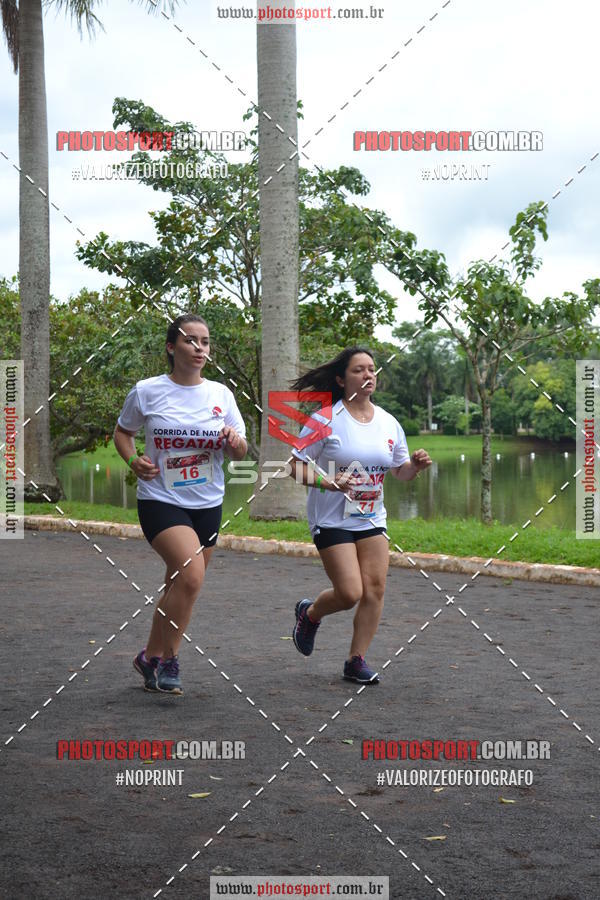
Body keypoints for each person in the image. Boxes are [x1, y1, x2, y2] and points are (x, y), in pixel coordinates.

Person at [113, 314, 247, 695]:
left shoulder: (221, 395)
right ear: (172, 347)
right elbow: (123, 432)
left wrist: (233, 441)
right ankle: (170, 659)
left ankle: (149, 657)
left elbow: (241, 451)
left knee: (178, 585)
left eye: (205, 342)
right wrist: (132, 459)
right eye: (191, 340)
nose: (200, 348)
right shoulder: (147, 391)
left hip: (207, 503)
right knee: (190, 577)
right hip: (161, 498)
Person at [289, 347, 431, 684]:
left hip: (370, 517)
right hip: (331, 519)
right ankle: (310, 614)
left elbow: (400, 472)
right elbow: (294, 467)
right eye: (359, 370)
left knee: (375, 589)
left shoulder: (388, 422)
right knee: (350, 592)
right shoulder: (325, 419)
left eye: (372, 369)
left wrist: (415, 466)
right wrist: (329, 482)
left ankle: (356, 660)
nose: (368, 375)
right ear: (341, 380)